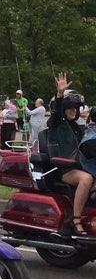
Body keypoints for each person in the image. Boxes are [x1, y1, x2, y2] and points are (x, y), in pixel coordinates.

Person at [43, 74, 93, 238]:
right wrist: (60, 94)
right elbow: (56, 114)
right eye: (70, 107)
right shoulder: (57, 124)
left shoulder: (77, 128)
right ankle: (74, 220)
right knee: (86, 179)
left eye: (76, 108)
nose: (74, 111)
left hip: (78, 166)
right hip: (63, 169)